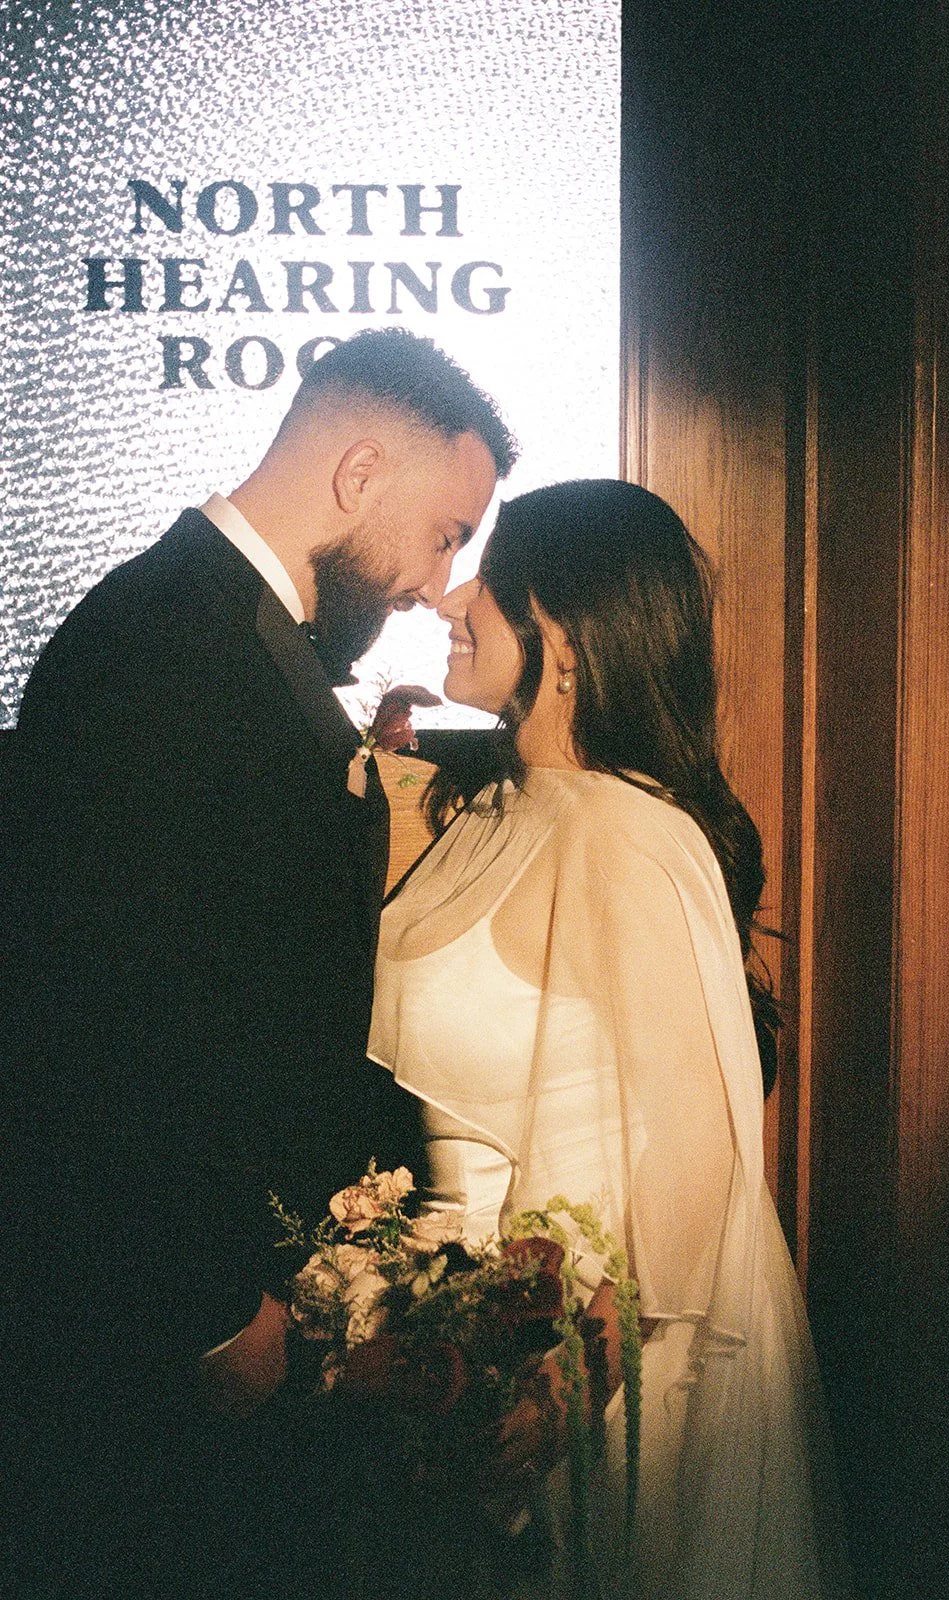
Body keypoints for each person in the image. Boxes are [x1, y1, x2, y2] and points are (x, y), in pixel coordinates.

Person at [0, 328, 516, 1597]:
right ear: (357, 474)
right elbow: (92, 1021)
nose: (433, 582)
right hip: (178, 1315)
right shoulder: (161, 653)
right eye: (445, 533)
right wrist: (213, 1304)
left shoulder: (229, 635)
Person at [368, 480, 851, 1598]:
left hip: (588, 1379)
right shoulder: (492, 807)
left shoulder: (631, 841)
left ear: (567, 633)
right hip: (455, 1354)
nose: (449, 593)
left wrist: (560, 1388)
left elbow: (693, 1174)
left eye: (489, 571)